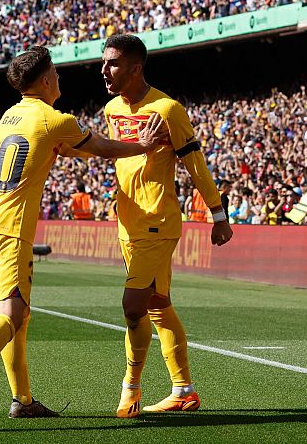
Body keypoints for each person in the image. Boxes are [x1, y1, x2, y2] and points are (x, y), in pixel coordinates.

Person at [0, 45, 169, 432]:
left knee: (17, 315)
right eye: (56, 73)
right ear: (45, 80)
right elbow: (100, 147)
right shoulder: (54, 119)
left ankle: (23, 401)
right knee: (11, 316)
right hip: (9, 231)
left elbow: (65, 149)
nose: (60, 77)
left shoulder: (11, 116)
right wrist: (142, 146)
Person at [100, 34, 233, 419]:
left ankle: (131, 387)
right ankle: (183, 391)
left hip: (158, 222)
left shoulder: (168, 109)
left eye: (113, 63)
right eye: (103, 63)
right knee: (158, 306)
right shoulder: (111, 109)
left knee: (132, 307)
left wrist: (218, 214)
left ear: (135, 68)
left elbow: (195, 163)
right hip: (128, 222)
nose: (104, 70)